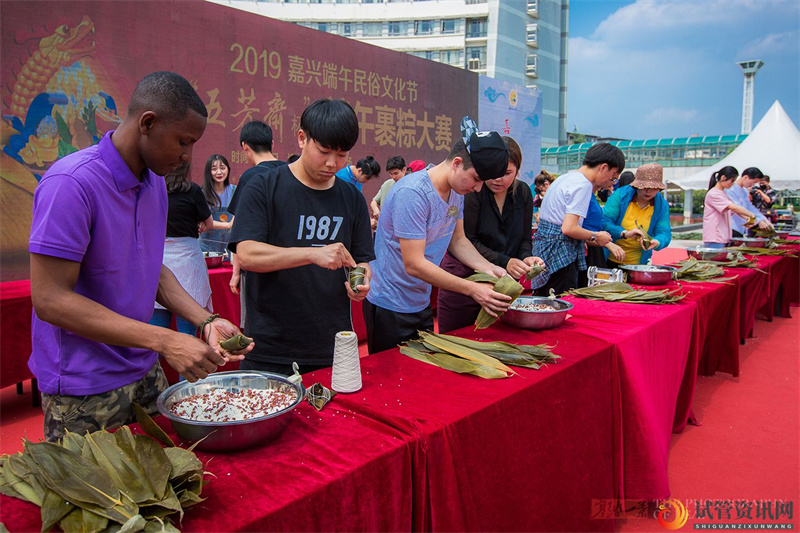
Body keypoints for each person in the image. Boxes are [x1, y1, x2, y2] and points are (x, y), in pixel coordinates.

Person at [28, 71, 250, 442]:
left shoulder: (154, 185)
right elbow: (50, 300)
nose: (186, 157)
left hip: (144, 369)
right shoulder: (71, 184)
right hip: (85, 385)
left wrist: (205, 319)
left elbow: (151, 268)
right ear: (147, 123)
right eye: (183, 141)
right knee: (101, 498)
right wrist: (165, 341)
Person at [228, 99, 374, 375]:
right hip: (270, 348)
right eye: (324, 151)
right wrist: (312, 253)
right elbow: (247, 255)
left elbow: (362, 259)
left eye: (342, 155)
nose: (333, 163)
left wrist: (362, 281)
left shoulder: (352, 199)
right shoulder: (264, 187)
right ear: (301, 138)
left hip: (330, 346)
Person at [364, 125, 512, 354]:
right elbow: (413, 264)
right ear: (456, 163)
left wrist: (490, 268)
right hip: (390, 303)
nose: (478, 188)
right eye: (476, 179)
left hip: (419, 300)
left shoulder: (457, 191)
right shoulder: (413, 193)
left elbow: (458, 240)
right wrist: (472, 289)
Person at [436, 136, 545, 333]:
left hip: (502, 285)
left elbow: (523, 239)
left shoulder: (522, 192)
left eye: (507, 173)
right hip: (465, 279)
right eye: (492, 172)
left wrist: (526, 258)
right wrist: (506, 262)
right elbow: (465, 240)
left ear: (517, 171)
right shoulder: (471, 190)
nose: (497, 179)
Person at [531, 143, 624, 295]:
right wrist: (596, 235)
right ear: (603, 167)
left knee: (544, 298)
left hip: (547, 250)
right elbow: (569, 228)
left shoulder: (567, 177)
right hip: (560, 254)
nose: (610, 182)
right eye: (612, 177)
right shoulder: (583, 185)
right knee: (559, 302)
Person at [225, 120, 287, 333]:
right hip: (289, 261)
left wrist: (235, 272)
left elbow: (241, 231)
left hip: (258, 266)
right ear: (272, 142)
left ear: (245, 146)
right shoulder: (290, 172)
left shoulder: (251, 177)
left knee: (255, 326)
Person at [150, 163, 219, 338]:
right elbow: (209, 223)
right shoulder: (193, 190)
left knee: (157, 328)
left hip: (159, 257)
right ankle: (189, 365)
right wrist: (199, 225)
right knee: (188, 327)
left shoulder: (153, 189)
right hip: (188, 260)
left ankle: (152, 366)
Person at [602, 163, 672, 267]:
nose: (648, 191)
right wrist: (624, 233)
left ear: (659, 188)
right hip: (610, 258)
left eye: (653, 188)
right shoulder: (620, 195)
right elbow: (605, 221)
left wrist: (656, 242)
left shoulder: (661, 205)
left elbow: (664, 233)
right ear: (636, 185)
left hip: (639, 263)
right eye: (644, 187)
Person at [703, 166, 757, 248]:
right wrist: (751, 215)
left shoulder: (723, 193)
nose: (732, 184)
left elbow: (733, 210)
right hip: (715, 237)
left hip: (722, 237)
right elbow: (733, 207)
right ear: (723, 177)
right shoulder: (714, 194)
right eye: (731, 181)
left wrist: (747, 218)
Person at [199, 154, 235, 254]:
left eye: (222, 168)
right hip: (206, 248)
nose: (219, 172)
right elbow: (203, 222)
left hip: (230, 247)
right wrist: (228, 225)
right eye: (214, 169)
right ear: (208, 172)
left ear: (228, 170)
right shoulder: (201, 194)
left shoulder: (235, 191)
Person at [725, 166, 773, 237]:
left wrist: (765, 221)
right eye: (753, 182)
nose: (753, 185)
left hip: (741, 228)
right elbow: (737, 209)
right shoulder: (730, 189)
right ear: (746, 177)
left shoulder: (744, 191)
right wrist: (758, 221)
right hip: (731, 227)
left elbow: (750, 207)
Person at [370, 155, 406, 230]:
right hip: (383, 229)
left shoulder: (410, 187)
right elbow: (374, 201)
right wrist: (375, 209)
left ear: (404, 170)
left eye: (396, 173)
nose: (393, 177)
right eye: (391, 173)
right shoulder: (387, 184)